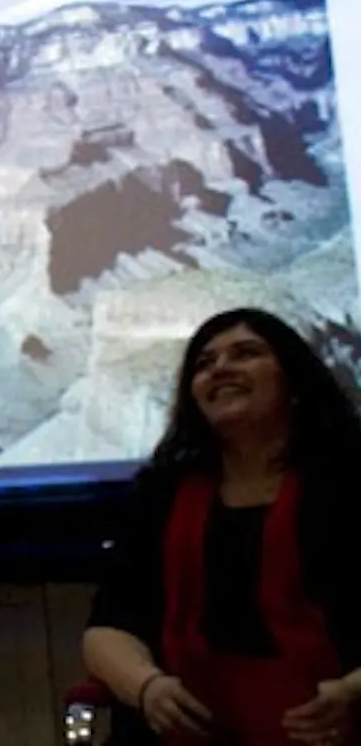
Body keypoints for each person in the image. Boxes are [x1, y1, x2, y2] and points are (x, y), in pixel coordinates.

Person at [83, 308, 361, 746]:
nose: (221, 369)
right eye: (204, 364)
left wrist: (353, 694)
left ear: (295, 383)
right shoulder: (162, 493)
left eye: (246, 353)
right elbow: (107, 629)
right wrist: (147, 687)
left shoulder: (349, 479)